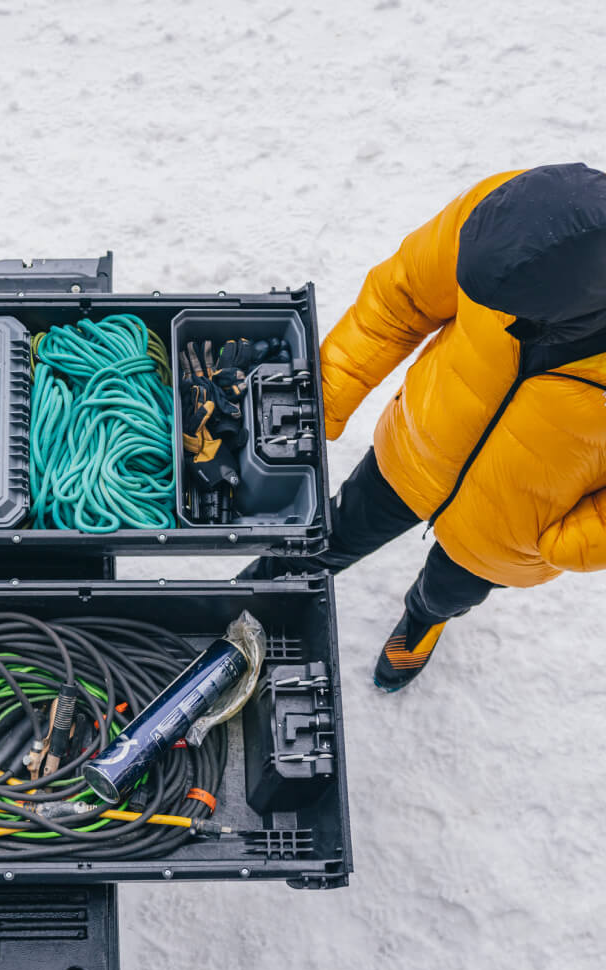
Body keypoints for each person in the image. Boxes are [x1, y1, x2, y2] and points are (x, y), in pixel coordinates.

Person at [239, 163, 606, 691]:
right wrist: (327, 398)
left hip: (511, 529)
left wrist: (567, 543)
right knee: (333, 533)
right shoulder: (502, 216)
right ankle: (253, 603)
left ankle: (423, 621)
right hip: (415, 448)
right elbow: (402, 295)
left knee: (449, 590)